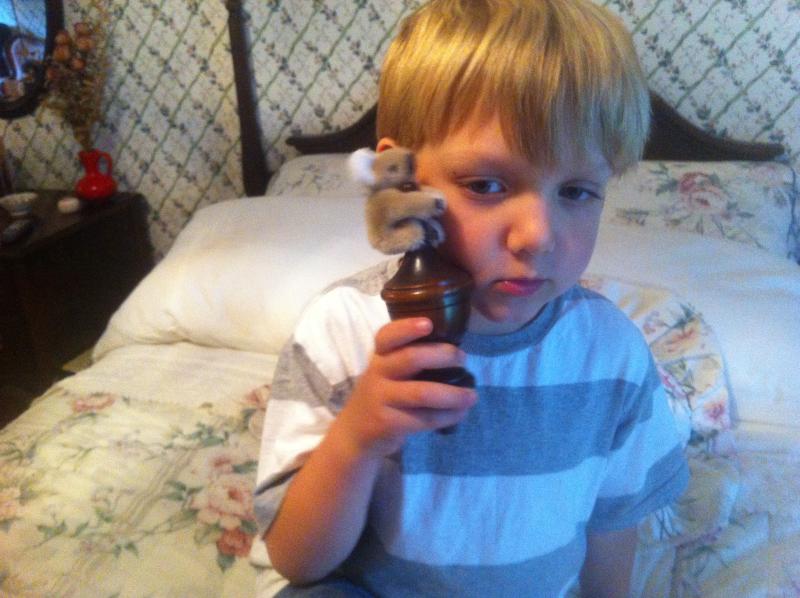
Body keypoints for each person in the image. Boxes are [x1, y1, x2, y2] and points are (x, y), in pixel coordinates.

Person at [254, 0, 689, 595]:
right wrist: (357, 440)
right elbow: (296, 560)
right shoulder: (344, 328)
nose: (536, 236)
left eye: (577, 191)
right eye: (486, 184)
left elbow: (613, 528)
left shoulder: (610, 355)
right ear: (400, 177)